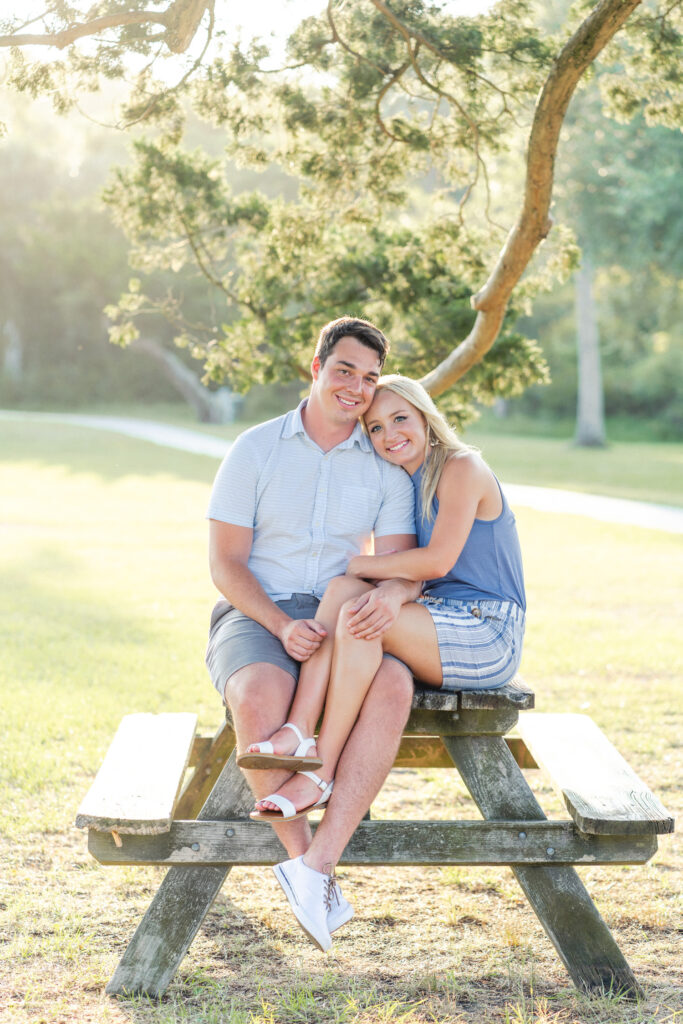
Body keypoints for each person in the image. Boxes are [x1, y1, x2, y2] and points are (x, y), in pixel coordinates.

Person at [250, 374, 526, 949]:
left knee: (349, 595)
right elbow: (413, 576)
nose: (388, 433)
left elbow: (438, 559)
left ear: (426, 416)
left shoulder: (461, 468)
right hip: (438, 620)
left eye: (400, 418)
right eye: (375, 427)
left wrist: (364, 569)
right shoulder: (409, 480)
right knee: (348, 597)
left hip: (485, 629)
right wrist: (385, 581)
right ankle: (302, 738)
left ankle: (319, 767)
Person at [205, 318, 421, 953]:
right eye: (346, 370)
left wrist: (388, 595)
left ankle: (318, 868)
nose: (357, 388)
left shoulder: (384, 465)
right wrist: (279, 624)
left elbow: (401, 566)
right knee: (256, 699)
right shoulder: (256, 448)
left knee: (393, 688)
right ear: (317, 367)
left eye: (370, 378)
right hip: (259, 613)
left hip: (346, 620)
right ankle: (296, 856)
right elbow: (225, 565)